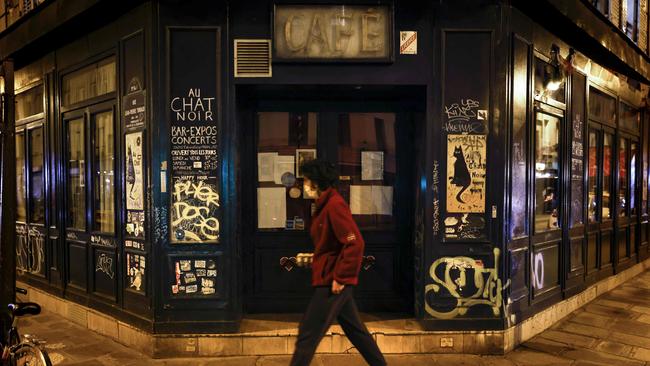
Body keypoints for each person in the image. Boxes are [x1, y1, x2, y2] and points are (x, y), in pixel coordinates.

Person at [290, 159, 386, 366]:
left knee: (308, 333)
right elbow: (331, 244)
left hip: (332, 281)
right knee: (356, 331)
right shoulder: (323, 205)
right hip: (330, 276)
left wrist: (341, 278)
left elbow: (355, 243)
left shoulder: (334, 205)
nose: (303, 185)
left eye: (306, 180)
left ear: (316, 182)